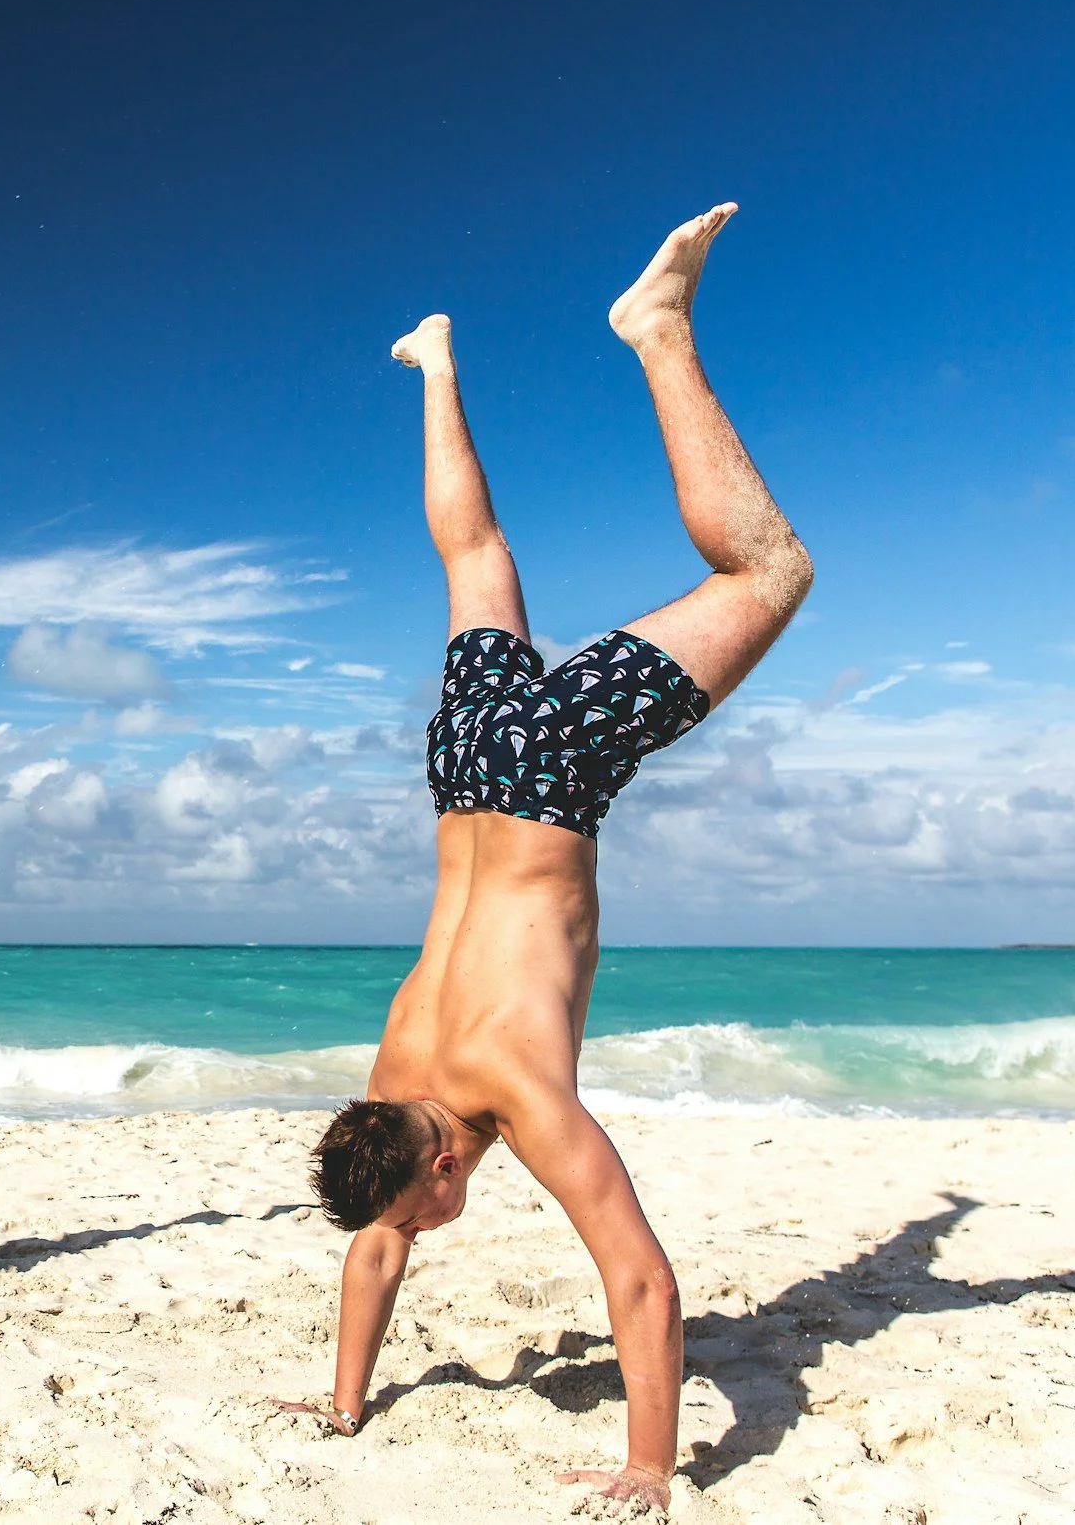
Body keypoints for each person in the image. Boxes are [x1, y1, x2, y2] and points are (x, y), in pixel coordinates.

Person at [279, 206, 811, 1512]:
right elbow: (372, 1247)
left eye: (418, 1206)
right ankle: (440, 360)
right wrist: (344, 1400)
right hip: (463, 769)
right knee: (475, 560)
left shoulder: (510, 1089)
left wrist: (648, 1463)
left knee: (770, 566)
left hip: (545, 774)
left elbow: (637, 1275)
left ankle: (656, 330)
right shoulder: (394, 1074)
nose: (414, 1231)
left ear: (442, 1161)